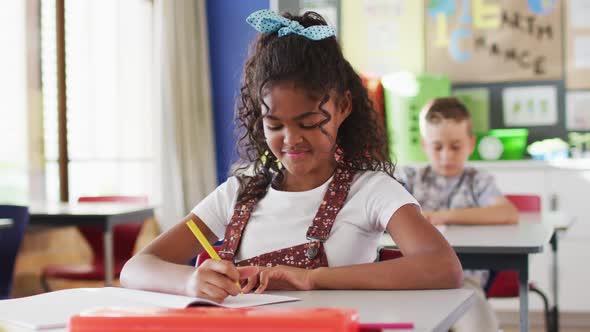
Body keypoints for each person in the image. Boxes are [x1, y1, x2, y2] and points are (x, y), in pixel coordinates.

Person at [121, 9, 462, 304]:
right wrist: (189, 281)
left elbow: (442, 266)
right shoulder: (241, 192)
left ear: (343, 107)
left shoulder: (370, 190)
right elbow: (136, 268)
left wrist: (311, 278)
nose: (292, 139)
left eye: (309, 123)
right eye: (275, 125)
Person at [396, 97, 519, 332]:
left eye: (455, 146)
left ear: (471, 144)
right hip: (415, 282)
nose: (446, 156)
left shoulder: (478, 181)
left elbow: (507, 213)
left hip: (465, 280)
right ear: (424, 145)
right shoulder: (411, 178)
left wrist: (441, 216)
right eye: (437, 147)